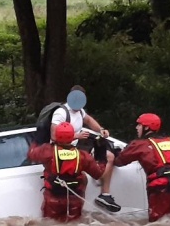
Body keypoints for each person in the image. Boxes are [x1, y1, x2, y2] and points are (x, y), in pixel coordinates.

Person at [112, 112, 170, 223]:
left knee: (158, 224)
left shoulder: (139, 144)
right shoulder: (169, 141)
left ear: (147, 128)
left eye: (139, 125)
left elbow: (119, 161)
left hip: (161, 186)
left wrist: (113, 153)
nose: (136, 128)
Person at [48, 85, 121, 213]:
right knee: (83, 179)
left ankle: (105, 195)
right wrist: (76, 136)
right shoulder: (61, 113)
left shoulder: (80, 111)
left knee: (109, 156)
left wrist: (101, 130)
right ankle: (78, 208)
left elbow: (89, 120)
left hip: (74, 149)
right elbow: (54, 136)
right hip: (61, 151)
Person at [26, 122, 107, 223]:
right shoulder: (83, 156)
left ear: (56, 135)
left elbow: (31, 154)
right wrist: (101, 153)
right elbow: (98, 174)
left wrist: (38, 139)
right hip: (74, 200)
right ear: (73, 136)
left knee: (49, 225)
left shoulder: (47, 151)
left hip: (53, 199)